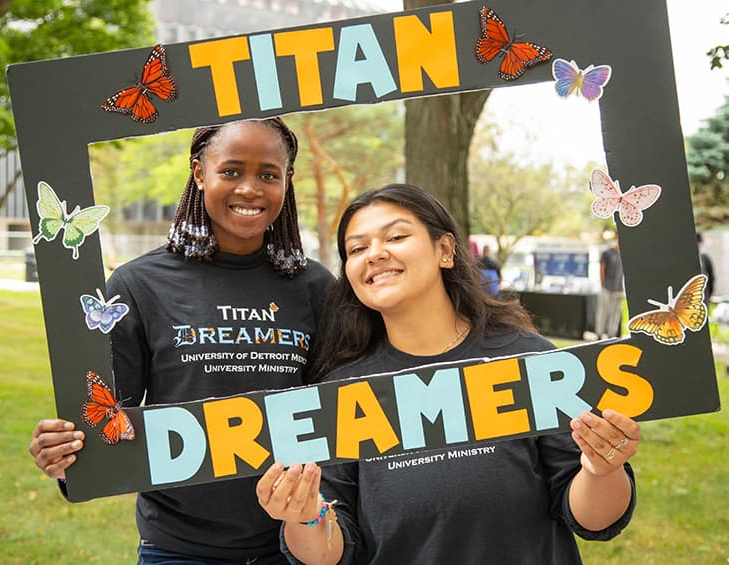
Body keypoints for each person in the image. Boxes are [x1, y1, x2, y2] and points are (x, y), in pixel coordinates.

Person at [257, 184, 638, 564]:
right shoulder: (342, 392)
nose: (374, 254)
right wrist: (306, 518)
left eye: (396, 236)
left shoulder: (528, 360)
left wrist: (602, 469)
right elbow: (329, 553)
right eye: (357, 249)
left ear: (445, 250)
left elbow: (594, 520)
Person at [29, 117, 334, 564]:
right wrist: (69, 451)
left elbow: (342, 411)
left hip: (291, 543)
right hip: (177, 546)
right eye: (231, 171)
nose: (250, 189)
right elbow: (106, 415)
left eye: (268, 174)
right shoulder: (138, 284)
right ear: (198, 172)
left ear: (287, 181)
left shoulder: (316, 287)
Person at [595, 234, 625, 339]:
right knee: (603, 312)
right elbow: (602, 269)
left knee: (615, 314)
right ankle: (599, 334)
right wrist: (602, 284)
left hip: (619, 289)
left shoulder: (623, 255)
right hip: (607, 287)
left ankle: (611, 334)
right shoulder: (607, 253)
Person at [697, 232, 715, 301]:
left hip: (703, 293)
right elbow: (712, 277)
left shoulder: (704, 257)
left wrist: (710, 294)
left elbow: (711, 277)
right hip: (702, 293)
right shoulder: (704, 257)